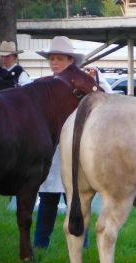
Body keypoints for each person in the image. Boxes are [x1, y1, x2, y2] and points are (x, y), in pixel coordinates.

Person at [34, 36, 87, 249]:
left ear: (71, 61)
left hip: (76, 153)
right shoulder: (40, 86)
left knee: (76, 202)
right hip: (50, 154)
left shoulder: (85, 85)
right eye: (51, 58)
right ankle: (40, 245)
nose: (54, 62)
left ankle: (82, 245)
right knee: (47, 201)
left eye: (59, 58)